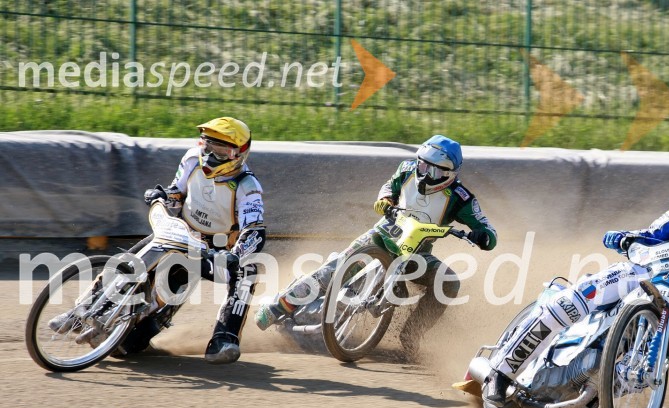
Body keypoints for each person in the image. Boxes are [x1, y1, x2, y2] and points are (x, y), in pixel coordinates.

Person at [483, 165, 669, 406]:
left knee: (629, 365)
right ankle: (501, 373)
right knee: (572, 300)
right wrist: (625, 238)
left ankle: (594, 395)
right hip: (637, 273)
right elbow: (651, 234)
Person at [255, 134, 497, 356]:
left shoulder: (461, 197)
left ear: (449, 174)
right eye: (422, 165)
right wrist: (384, 201)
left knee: (449, 282)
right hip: (380, 236)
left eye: (432, 170)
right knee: (333, 270)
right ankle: (280, 305)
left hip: (416, 255)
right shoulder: (406, 169)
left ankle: (411, 335)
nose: (424, 173)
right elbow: (387, 189)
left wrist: (482, 236)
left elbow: (487, 229)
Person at [142, 116, 266, 364]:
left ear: (238, 154)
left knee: (248, 271)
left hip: (215, 250)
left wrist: (235, 255)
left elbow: (254, 229)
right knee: (138, 253)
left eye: (220, 151)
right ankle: (87, 306)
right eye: (208, 146)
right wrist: (162, 195)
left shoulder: (248, 186)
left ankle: (224, 338)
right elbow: (176, 192)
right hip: (179, 232)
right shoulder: (191, 159)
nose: (210, 155)